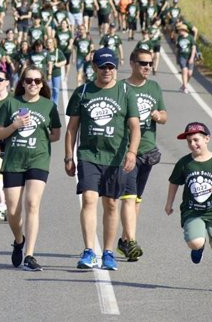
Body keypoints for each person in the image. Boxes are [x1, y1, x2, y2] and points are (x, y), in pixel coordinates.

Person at [65, 48, 141, 270]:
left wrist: (132, 152)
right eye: (102, 66)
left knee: (110, 203)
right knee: (89, 199)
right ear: (94, 67)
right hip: (89, 154)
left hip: (115, 157)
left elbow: (135, 127)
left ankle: (108, 252)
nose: (107, 70)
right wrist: (68, 156)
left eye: (111, 66)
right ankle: (89, 251)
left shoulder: (126, 92)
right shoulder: (83, 92)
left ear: (115, 68)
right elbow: (72, 128)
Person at [0, 67, 62, 271]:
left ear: (42, 84)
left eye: (37, 81)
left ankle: (30, 255)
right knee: (13, 210)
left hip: (38, 160)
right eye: (29, 80)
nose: (33, 84)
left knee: (32, 203)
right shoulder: (10, 103)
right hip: (14, 161)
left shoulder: (48, 106)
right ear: (22, 83)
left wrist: (39, 140)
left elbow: (56, 134)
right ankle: (18, 240)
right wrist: (15, 126)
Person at [165, 122, 212, 294]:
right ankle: (199, 247)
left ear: (207, 139)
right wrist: (169, 203)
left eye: (196, 140)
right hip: (192, 210)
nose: (193, 144)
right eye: (189, 141)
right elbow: (174, 182)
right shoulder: (185, 163)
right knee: (195, 242)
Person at [120, 49, 167, 261]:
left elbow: (165, 115)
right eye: (143, 63)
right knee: (128, 197)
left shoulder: (154, 87)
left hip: (148, 149)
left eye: (150, 63)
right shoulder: (121, 87)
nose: (148, 67)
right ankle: (131, 241)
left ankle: (125, 239)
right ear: (132, 63)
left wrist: (159, 115)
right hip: (127, 150)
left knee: (137, 199)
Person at [175, 24, 196, 93]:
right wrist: (177, 58)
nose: (179, 32)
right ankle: (185, 87)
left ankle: (184, 85)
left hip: (189, 56)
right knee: (184, 70)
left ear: (184, 30)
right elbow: (177, 48)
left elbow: (193, 48)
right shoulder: (179, 38)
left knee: (189, 73)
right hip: (182, 56)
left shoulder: (190, 38)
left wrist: (192, 58)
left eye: (180, 30)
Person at [45, 37, 66, 106]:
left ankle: (54, 105)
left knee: (56, 90)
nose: (49, 44)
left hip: (56, 73)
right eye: (48, 43)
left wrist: (58, 64)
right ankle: (48, 104)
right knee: (47, 90)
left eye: (50, 42)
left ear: (54, 43)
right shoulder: (45, 52)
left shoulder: (58, 52)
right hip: (46, 74)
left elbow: (64, 61)